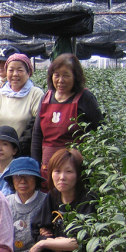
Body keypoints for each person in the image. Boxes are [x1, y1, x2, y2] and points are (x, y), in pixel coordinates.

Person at [28, 149, 96, 252]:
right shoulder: (53, 197)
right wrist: (45, 238)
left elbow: (80, 242)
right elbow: (39, 227)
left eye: (69, 172)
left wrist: (48, 241)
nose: (62, 177)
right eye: (57, 171)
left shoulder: (88, 199)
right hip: (58, 250)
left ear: (79, 175)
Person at [31, 53, 103, 181]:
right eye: (57, 75)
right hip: (48, 168)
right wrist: (35, 165)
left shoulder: (86, 98)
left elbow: (100, 131)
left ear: (76, 77)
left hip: (75, 169)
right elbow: (37, 134)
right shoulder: (45, 98)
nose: (60, 80)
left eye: (66, 75)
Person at [3, 157, 47, 252]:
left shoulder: (46, 201)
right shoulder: (5, 201)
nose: (22, 181)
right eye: (17, 176)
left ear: (36, 180)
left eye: (28, 176)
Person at [0, 53, 44, 154]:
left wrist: (16, 148)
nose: (15, 74)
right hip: (1, 153)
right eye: (11, 70)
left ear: (28, 72)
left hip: (25, 151)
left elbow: (35, 125)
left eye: (20, 70)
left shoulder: (35, 94)